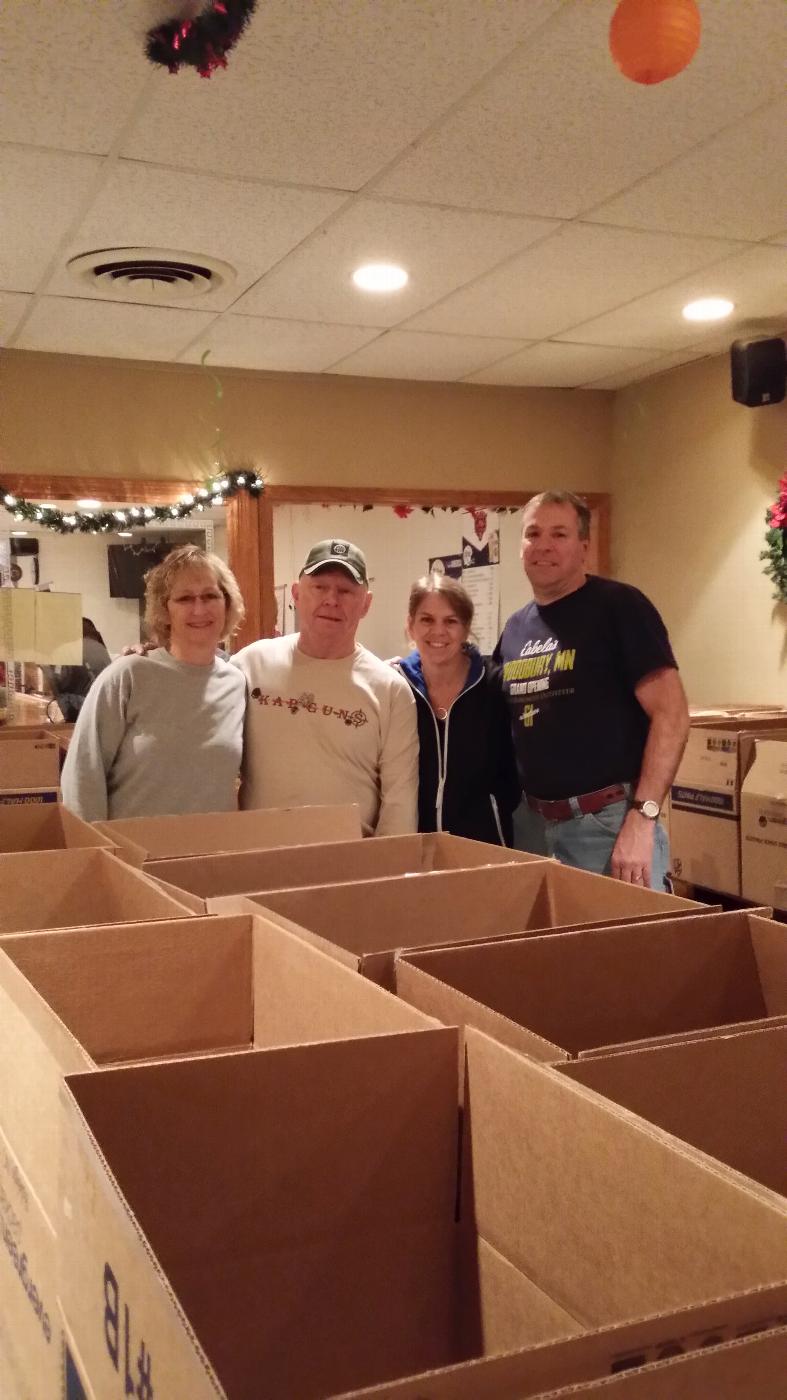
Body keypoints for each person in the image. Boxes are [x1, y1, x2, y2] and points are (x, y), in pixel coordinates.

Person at [495, 491, 689, 889]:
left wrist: (643, 817)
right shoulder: (515, 629)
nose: (543, 545)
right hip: (532, 827)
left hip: (608, 826)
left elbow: (671, 714)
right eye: (533, 533)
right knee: (552, 951)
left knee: (630, 948)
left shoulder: (619, 607)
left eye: (559, 534)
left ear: (584, 545)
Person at [232, 538, 418, 836]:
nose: (332, 599)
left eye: (345, 591)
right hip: (257, 859)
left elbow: (400, 802)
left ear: (366, 604)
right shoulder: (249, 665)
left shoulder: (391, 690)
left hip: (348, 867)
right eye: (319, 587)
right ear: (296, 593)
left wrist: (388, 871)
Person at [61, 546, 247, 821]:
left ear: (227, 603)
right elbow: (83, 775)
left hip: (211, 856)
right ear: (164, 609)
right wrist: (98, 853)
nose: (199, 609)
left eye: (210, 596)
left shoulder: (236, 682)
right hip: (133, 855)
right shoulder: (128, 676)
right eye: (184, 598)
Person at [396, 574, 520, 844]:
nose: (438, 631)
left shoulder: (494, 685)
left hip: (487, 845)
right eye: (426, 619)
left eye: (450, 621)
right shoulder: (396, 687)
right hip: (415, 845)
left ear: (465, 629)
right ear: (410, 625)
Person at [45, 617, 111, 722]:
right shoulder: (99, 646)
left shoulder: (67, 650)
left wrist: (47, 670)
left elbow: (60, 681)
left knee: (61, 699)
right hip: (105, 708)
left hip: (89, 710)